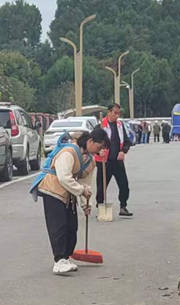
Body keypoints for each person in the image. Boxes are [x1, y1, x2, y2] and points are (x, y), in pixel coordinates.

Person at [30, 127, 108, 274]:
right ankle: (58, 260)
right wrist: (80, 190)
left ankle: (65, 257)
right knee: (58, 226)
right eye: (98, 147)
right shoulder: (68, 152)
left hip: (68, 193)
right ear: (90, 141)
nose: (98, 151)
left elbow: (86, 183)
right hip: (52, 189)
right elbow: (64, 177)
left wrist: (86, 204)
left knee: (72, 227)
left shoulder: (90, 161)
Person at [95, 102, 133, 217]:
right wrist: (98, 151)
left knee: (124, 184)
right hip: (104, 161)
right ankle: (101, 206)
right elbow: (92, 142)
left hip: (117, 160)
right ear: (109, 112)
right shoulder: (101, 126)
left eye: (118, 113)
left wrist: (123, 151)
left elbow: (127, 141)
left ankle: (123, 206)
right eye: (115, 113)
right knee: (101, 185)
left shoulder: (120, 126)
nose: (117, 115)